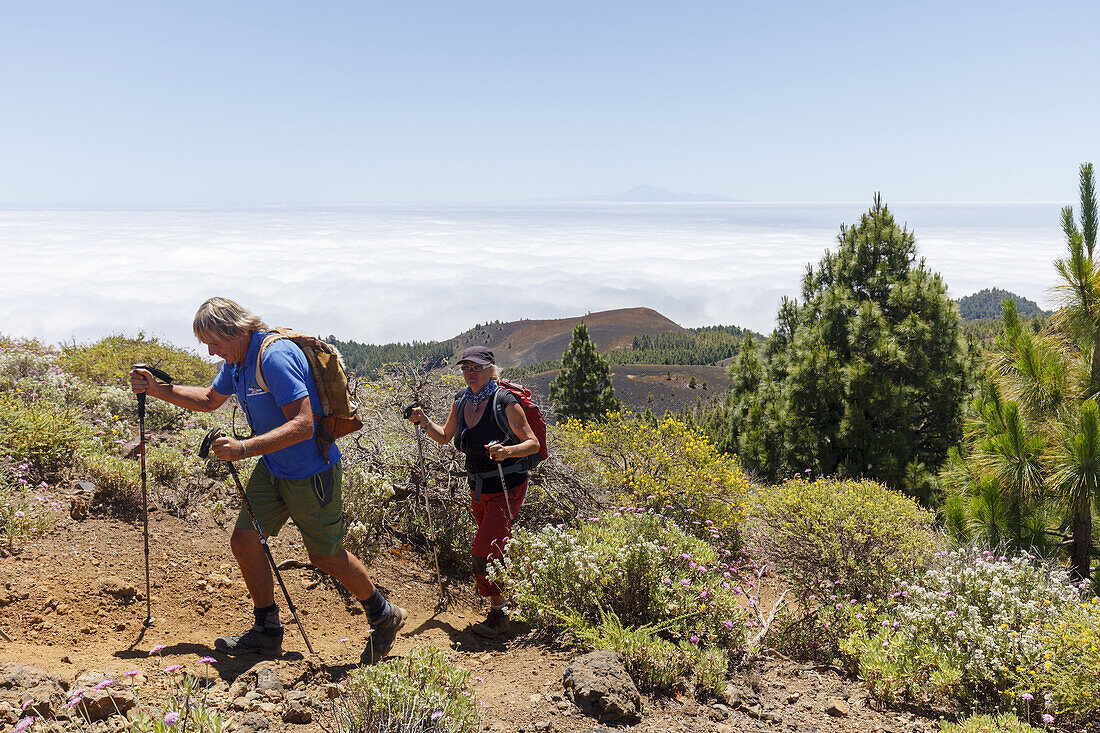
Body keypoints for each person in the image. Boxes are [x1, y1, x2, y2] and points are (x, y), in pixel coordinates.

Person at [130, 297, 405, 664]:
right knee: (245, 541)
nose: (212, 351)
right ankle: (267, 631)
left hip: (311, 472)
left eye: (214, 342)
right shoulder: (239, 360)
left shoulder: (272, 358)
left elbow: (304, 424)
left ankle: (383, 613)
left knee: (325, 556)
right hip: (273, 468)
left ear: (235, 330)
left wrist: (244, 448)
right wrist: (157, 389)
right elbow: (211, 399)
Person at [407, 346, 540, 637]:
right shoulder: (461, 399)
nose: (470, 373)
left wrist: (507, 451)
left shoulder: (505, 400)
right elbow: (444, 437)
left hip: (508, 486)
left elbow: (532, 444)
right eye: (466, 367)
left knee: (483, 551)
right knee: (496, 548)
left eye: (477, 367)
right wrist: (424, 420)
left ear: (491, 369)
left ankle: (499, 613)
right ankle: (518, 597)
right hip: (477, 488)